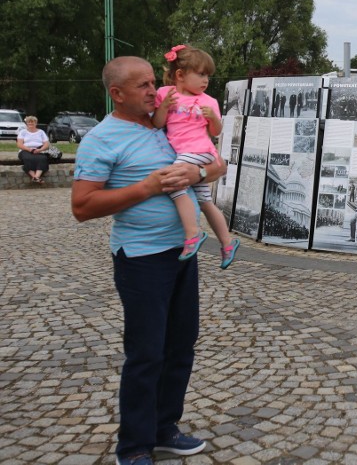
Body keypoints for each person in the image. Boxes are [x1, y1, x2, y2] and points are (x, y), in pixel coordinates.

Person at [71, 56, 226, 465]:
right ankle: (135, 446)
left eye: (153, 81)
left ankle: (164, 429)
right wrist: (146, 187)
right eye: (142, 85)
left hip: (182, 253)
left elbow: (217, 162)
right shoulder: (102, 139)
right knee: (146, 353)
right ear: (116, 93)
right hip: (141, 258)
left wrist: (196, 176)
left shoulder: (166, 121)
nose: (151, 90)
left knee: (180, 346)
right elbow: (82, 206)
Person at [152, 45, 240, 269]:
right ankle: (227, 243)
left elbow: (216, 132)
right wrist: (163, 107)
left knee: (173, 182)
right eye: (201, 74)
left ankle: (193, 234)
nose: (206, 80)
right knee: (205, 201)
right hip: (185, 152)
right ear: (180, 75)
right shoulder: (165, 95)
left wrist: (214, 119)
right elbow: (157, 123)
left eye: (207, 76)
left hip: (200, 151)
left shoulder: (208, 102)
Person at [17, 115, 50, 183]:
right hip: (25, 150)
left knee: (42, 159)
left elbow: (46, 144)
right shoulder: (23, 132)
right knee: (28, 158)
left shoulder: (41, 132)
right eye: (29, 122)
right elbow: (19, 144)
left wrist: (40, 150)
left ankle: (36, 177)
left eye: (32, 122)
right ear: (27, 123)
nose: (30, 124)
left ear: (36, 123)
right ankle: (34, 176)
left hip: (38, 150)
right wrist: (29, 150)